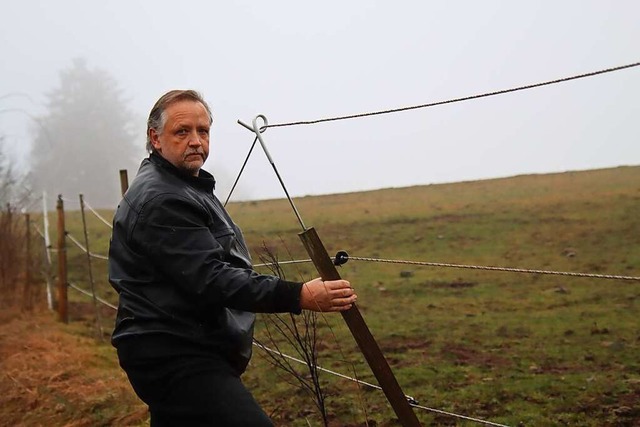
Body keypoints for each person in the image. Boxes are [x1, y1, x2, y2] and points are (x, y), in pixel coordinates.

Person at [108, 89, 357, 426]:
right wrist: (299, 294)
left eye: (203, 131)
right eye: (182, 132)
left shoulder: (184, 186)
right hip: (174, 353)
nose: (196, 141)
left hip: (178, 343)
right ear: (155, 138)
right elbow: (212, 277)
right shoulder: (162, 199)